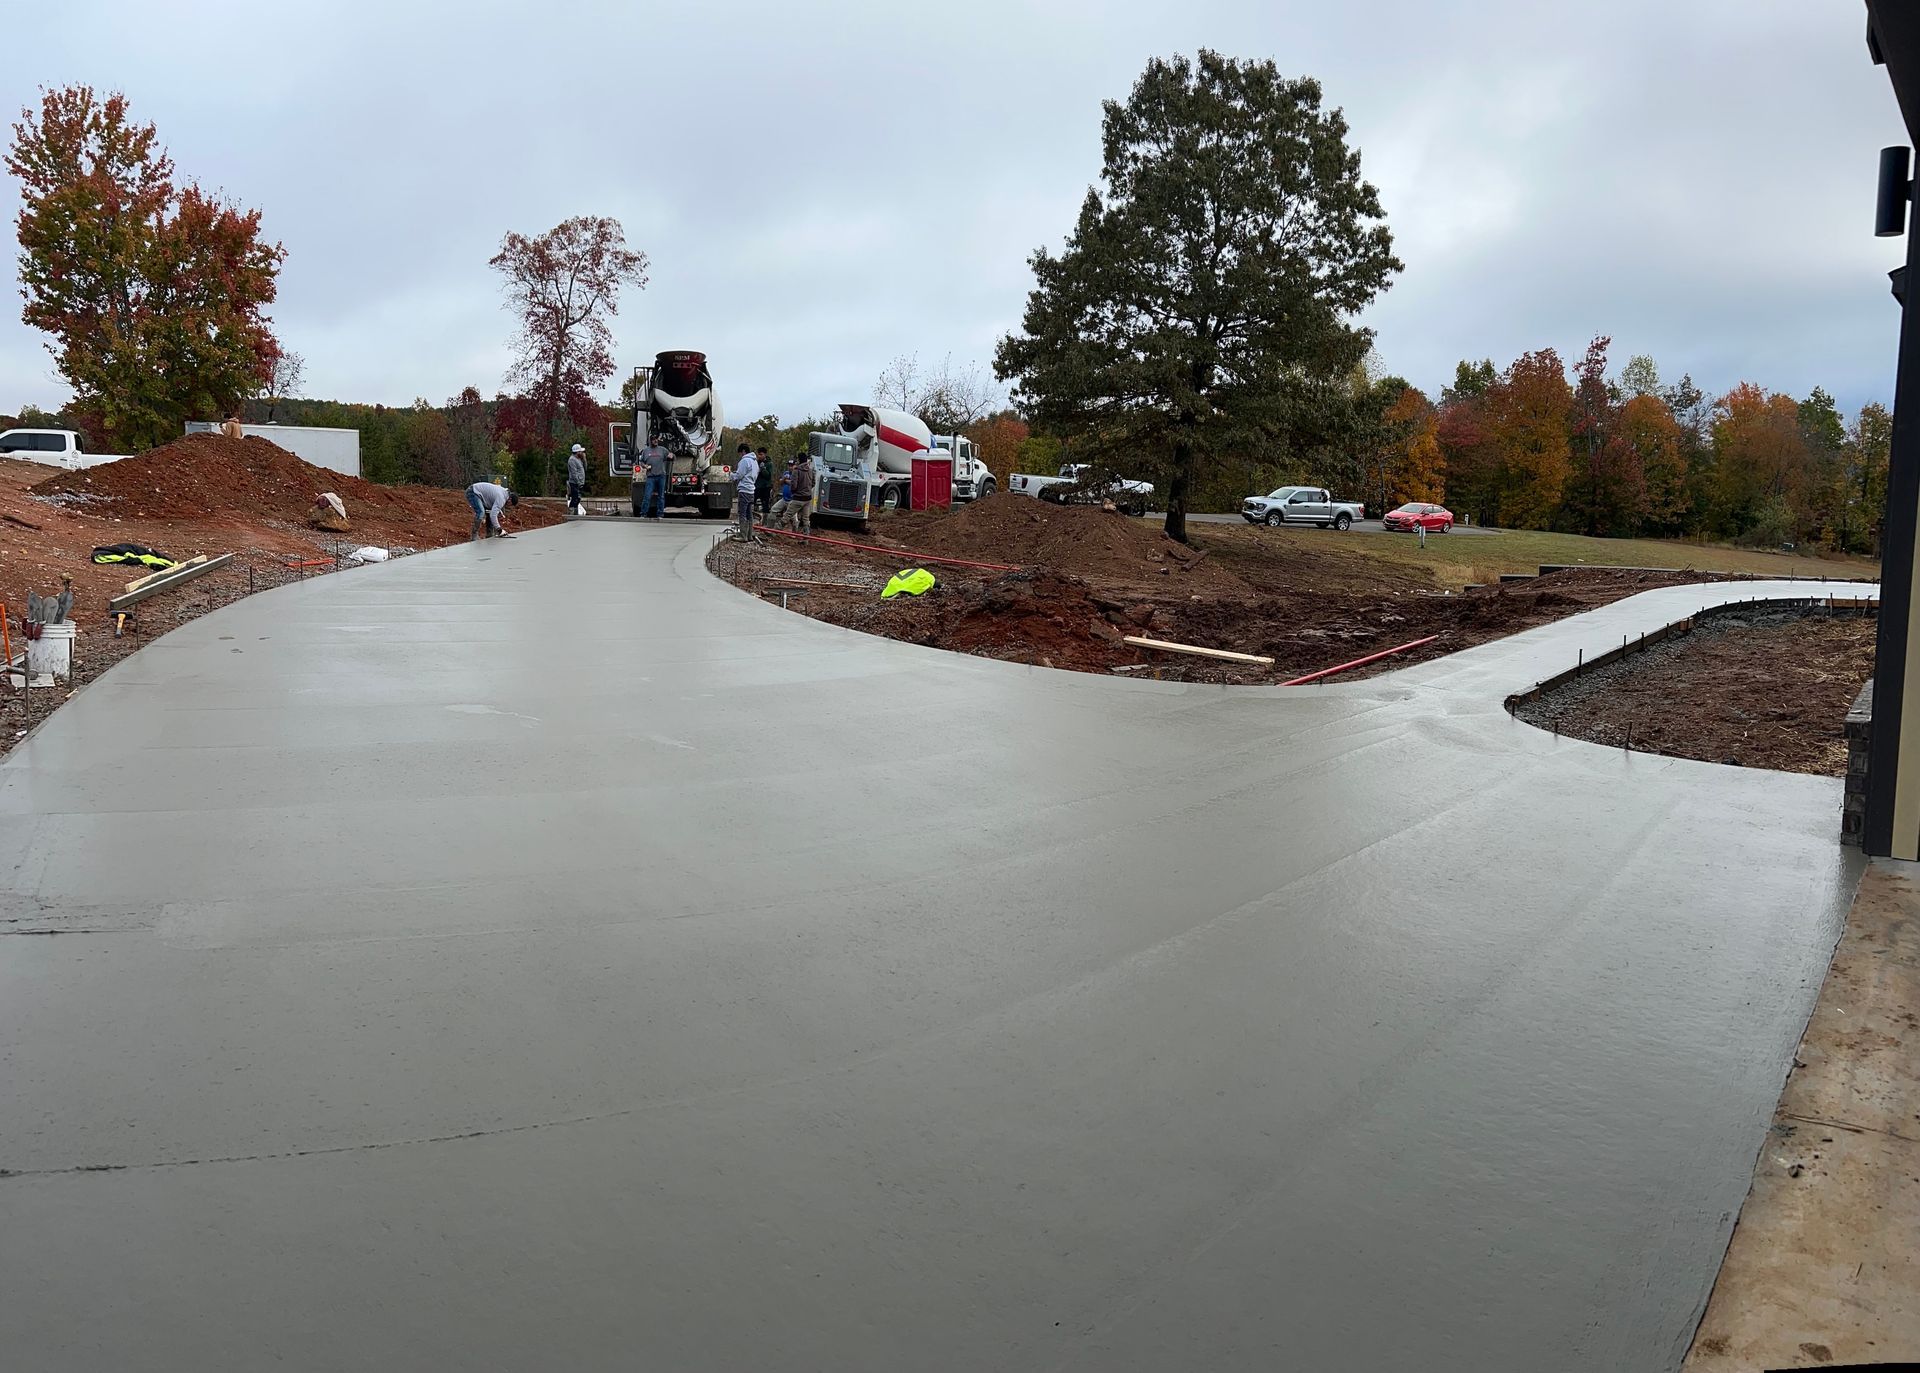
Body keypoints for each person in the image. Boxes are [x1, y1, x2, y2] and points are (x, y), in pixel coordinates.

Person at [769, 452, 814, 535]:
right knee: (806, 519)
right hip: (807, 498)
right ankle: (806, 538)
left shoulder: (796, 470)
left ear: (799, 460)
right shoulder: (810, 470)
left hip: (798, 498)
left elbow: (794, 485)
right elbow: (813, 482)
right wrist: (807, 490)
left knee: (787, 516)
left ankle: (774, 531)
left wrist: (794, 492)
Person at [636, 435, 670, 520]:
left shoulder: (662, 450)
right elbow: (641, 462)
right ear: (650, 441)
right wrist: (644, 466)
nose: (655, 441)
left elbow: (671, 456)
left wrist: (672, 456)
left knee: (661, 496)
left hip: (661, 476)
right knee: (647, 496)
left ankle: (660, 514)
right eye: (653, 439)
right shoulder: (646, 451)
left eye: (656, 439)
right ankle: (643, 514)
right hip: (650, 477)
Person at [733, 443, 759, 542]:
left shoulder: (745, 461)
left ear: (743, 451)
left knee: (742, 513)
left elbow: (739, 475)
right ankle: (750, 535)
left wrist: (731, 475)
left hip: (744, 489)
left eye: (740, 453)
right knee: (749, 513)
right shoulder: (754, 462)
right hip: (751, 490)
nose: (740, 455)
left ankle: (743, 535)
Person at [754, 446, 774, 522]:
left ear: (765, 454)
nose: (759, 456)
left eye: (761, 454)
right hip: (757, 486)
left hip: (765, 487)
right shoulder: (756, 463)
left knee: (765, 504)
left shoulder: (769, 464)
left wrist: (763, 469)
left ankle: (765, 521)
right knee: (752, 502)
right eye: (758, 454)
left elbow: (768, 476)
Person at [566, 443, 586, 515]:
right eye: (580, 451)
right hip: (574, 483)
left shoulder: (579, 459)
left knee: (578, 498)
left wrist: (584, 459)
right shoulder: (572, 460)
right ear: (577, 452)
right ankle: (571, 513)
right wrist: (578, 482)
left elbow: (585, 468)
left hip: (580, 482)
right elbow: (574, 473)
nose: (582, 453)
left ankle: (575, 512)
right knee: (575, 498)